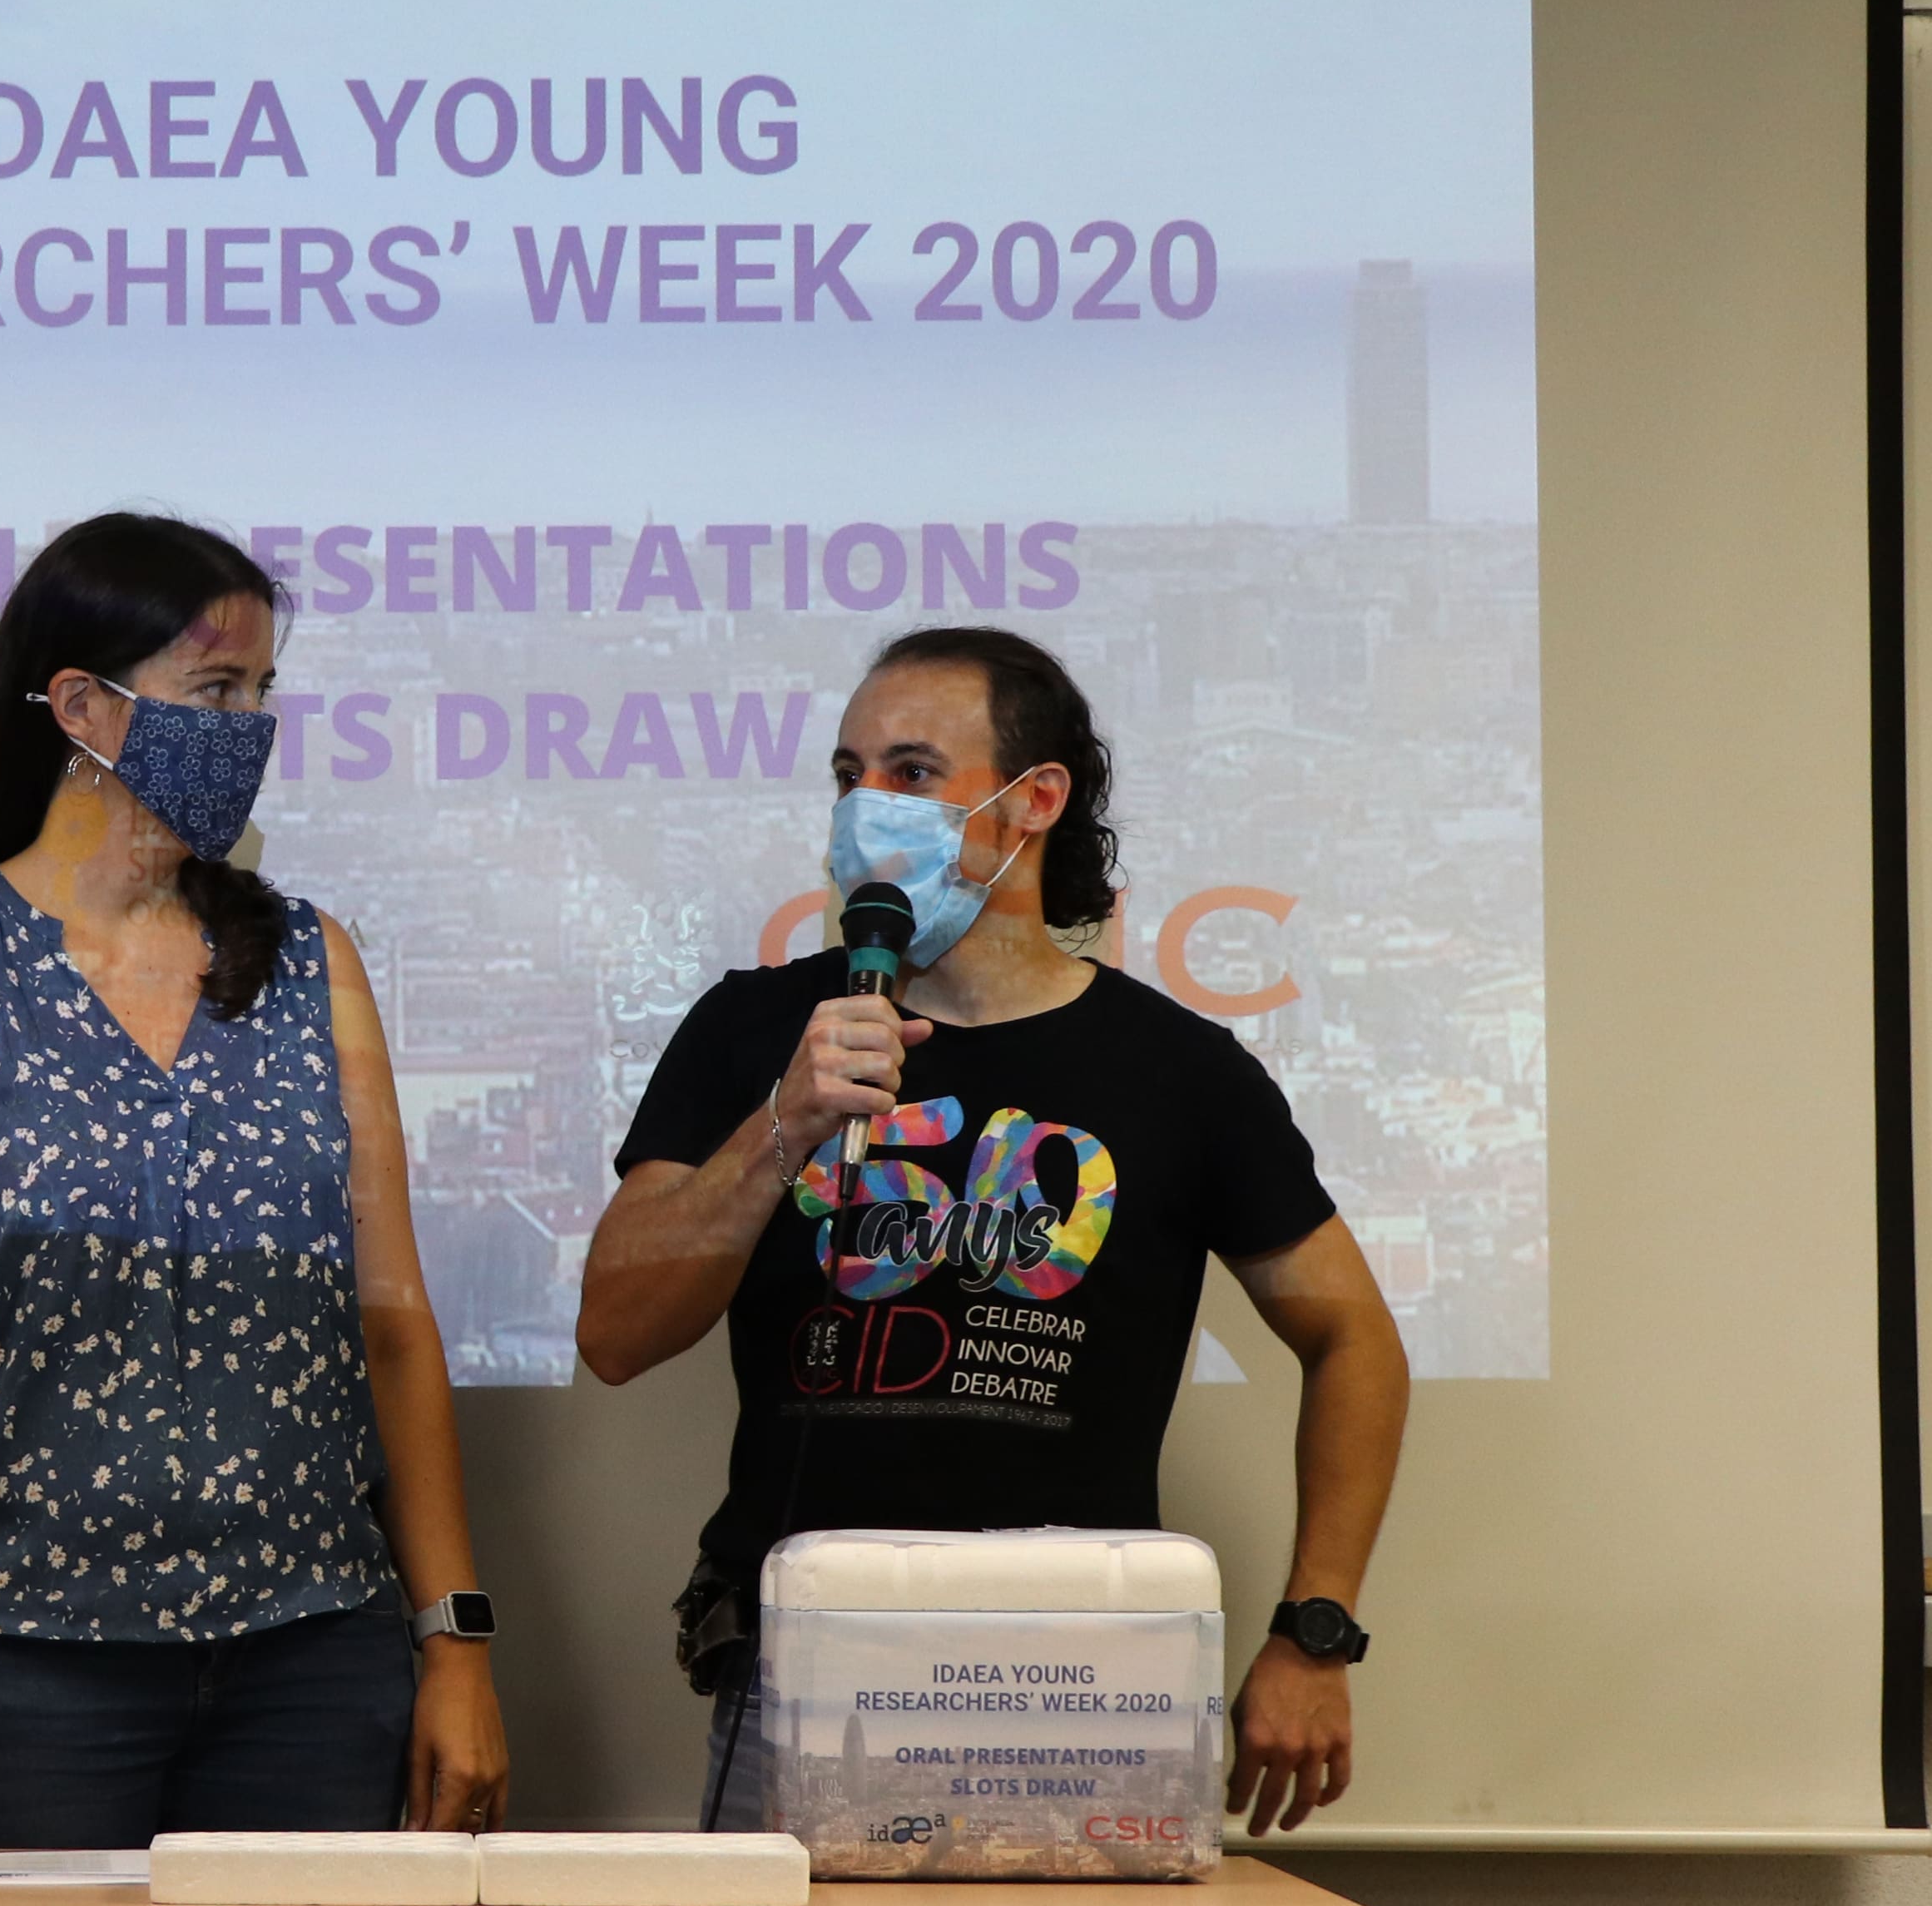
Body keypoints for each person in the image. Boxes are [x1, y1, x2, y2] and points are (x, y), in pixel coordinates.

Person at [578, 627, 1409, 1835]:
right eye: (849, 774)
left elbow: (1356, 1342)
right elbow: (615, 1332)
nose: (867, 807)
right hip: (802, 1681)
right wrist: (785, 1123)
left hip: (1078, 1685)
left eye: (912, 773)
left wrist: (1315, 1631)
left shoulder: (1180, 1070)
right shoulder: (756, 1031)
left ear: (1035, 800)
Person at [0, 513, 507, 1854]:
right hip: (18, 1665)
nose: (251, 729)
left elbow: (395, 1332)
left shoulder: (313, 962)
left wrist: (454, 1642)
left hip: (314, 1658)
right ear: (82, 708)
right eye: (215, 691)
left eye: (263, 693)